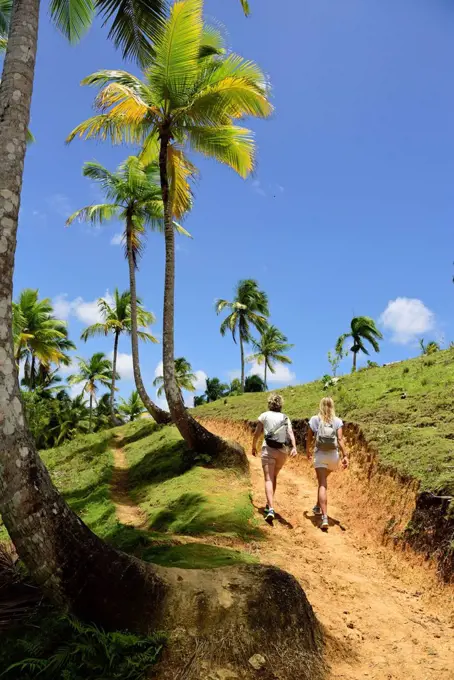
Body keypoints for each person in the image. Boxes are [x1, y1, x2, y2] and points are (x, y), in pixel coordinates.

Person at [252, 394, 297, 524]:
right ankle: (268, 504)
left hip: (268, 450)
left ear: (269, 403)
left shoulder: (264, 415)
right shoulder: (285, 417)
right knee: (274, 477)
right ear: (281, 404)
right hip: (282, 452)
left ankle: (271, 508)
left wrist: (253, 446)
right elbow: (290, 433)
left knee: (268, 479)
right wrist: (294, 447)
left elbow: (257, 433)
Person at [306, 396, 348, 531]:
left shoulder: (315, 419)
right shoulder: (337, 421)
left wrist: (307, 450)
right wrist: (345, 455)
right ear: (332, 406)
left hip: (320, 455)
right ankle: (318, 506)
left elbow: (309, 437)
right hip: (333, 457)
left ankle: (324, 517)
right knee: (323, 480)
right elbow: (340, 439)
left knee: (322, 483)